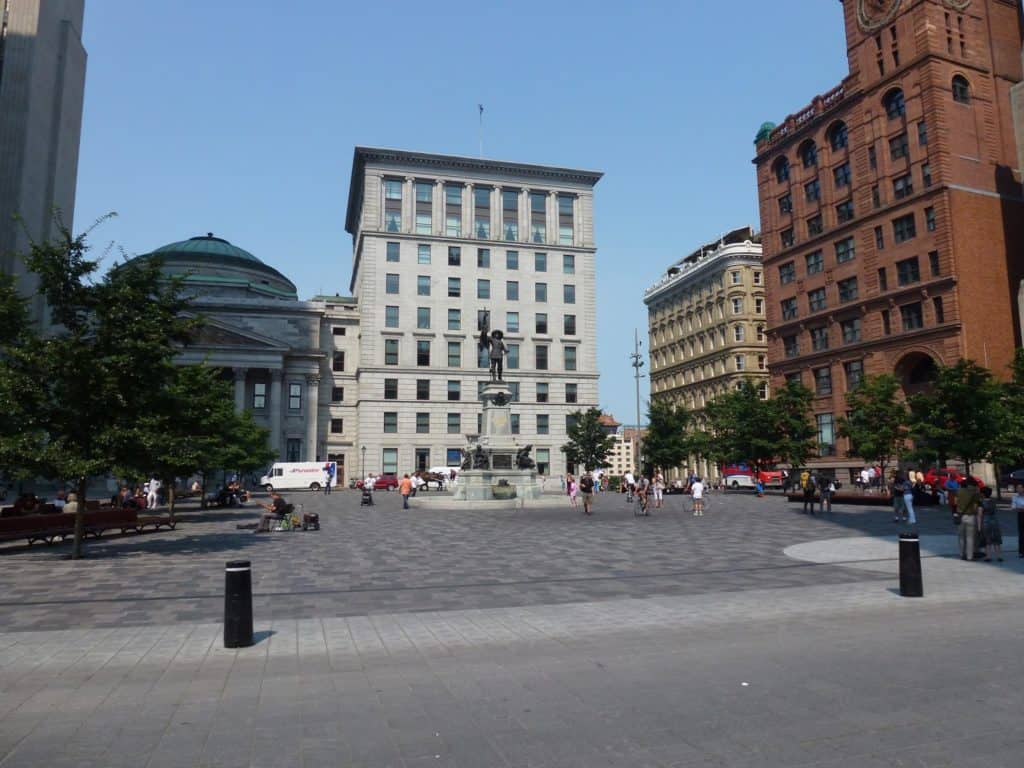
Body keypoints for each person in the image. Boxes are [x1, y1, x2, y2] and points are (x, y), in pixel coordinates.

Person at [956, 478, 982, 560]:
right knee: (970, 537)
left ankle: (961, 554)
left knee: (961, 537)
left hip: (960, 515)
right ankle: (969, 556)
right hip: (970, 516)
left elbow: (955, 502)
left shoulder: (959, 491)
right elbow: (977, 503)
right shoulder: (974, 493)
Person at [978, 487, 1002, 562]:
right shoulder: (993, 501)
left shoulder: (981, 503)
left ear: (982, 494)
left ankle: (988, 556)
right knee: (996, 539)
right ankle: (999, 556)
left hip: (986, 521)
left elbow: (980, 515)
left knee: (987, 539)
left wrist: (979, 527)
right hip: (995, 521)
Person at [1013, 485, 1024, 559]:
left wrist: (1019, 507)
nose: (1018, 489)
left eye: (1020, 488)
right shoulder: (1015, 497)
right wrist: (1021, 508)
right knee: (1021, 534)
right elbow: (1013, 507)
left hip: (1021, 513)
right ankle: (1021, 552)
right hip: (1020, 516)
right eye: (1017, 488)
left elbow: (1017, 507)